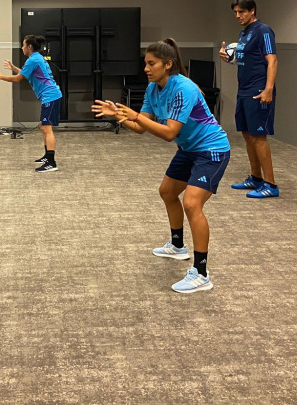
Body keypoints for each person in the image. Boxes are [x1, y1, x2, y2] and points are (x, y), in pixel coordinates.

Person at [93, 39, 231, 294]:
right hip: (189, 149)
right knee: (167, 192)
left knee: (191, 203)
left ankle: (201, 273)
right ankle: (177, 246)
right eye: (145, 63)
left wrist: (134, 116)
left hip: (212, 150)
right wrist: (121, 117)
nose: (146, 68)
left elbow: (169, 133)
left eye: (151, 63)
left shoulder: (184, 89)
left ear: (168, 64)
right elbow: (140, 128)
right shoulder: (153, 89)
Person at [220, 0, 279, 199]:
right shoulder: (244, 33)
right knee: (247, 134)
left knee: (258, 137)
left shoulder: (263, 31)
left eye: (241, 12)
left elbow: (272, 61)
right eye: (235, 12)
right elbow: (245, 59)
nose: (237, 15)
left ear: (252, 11)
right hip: (243, 90)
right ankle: (255, 178)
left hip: (258, 90)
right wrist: (228, 58)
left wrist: (268, 89)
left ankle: (270, 185)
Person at [0, 34, 63, 173]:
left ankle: (51, 162)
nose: (22, 47)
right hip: (50, 96)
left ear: (29, 47)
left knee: (46, 129)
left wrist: (1, 77)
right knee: (44, 126)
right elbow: (26, 75)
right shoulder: (36, 58)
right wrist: (13, 67)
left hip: (50, 97)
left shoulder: (33, 59)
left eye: (24, 45)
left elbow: (18, 79)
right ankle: (47, 156)